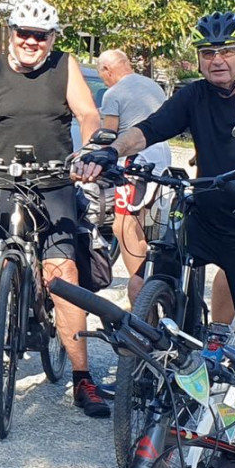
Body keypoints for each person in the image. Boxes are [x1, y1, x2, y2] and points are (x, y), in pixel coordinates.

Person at [0, 0, 108, 416]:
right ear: (11, 33)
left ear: (52, 38)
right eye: (24, 33)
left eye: (41, 35)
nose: (31, 42)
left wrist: (90, 149)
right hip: (2, 180)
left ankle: (82, 376)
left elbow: (88, 114)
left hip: (54, 181)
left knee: (63, 275)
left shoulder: (64, 67)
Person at [75, 11, 235, 324]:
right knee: (145, 280)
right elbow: (150, 129)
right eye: (208, 53)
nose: (218, 60)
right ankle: (156, 343)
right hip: (204, 217)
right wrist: (111, 152)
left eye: (227, 51)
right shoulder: (194, 95)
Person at [95, 49, 169, 303]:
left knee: (125, 225)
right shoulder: (153, 86)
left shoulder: (113, 94)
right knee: (139, 223)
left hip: (136, 161)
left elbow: (108, 136)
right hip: (162, 157)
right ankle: (148, 281)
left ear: (107, 70)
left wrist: (91, 157)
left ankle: (138, 288)